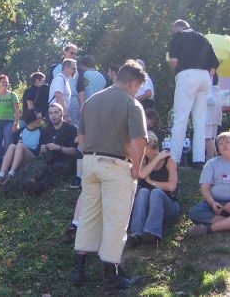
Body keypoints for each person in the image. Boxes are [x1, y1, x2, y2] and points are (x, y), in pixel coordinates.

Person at [71, 60, 147, 289]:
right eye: (138, 87)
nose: (137, 91)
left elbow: (81, 142)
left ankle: (78, 271)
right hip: (116, 165)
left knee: (88, 217)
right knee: (116, 221)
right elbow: (139, 141)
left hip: (90, 163)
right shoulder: (132, 104)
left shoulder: (91, 101)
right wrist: (136, 167)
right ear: (133, 83)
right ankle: (110, 275)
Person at [168, 19, 219, 168]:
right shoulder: (202, 37)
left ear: (177, 29)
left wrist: (175, 73)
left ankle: (174, 159)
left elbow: (173, 61)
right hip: (204, 77)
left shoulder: (178, 36)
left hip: (187, 75)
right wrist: (206, 78)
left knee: (180, 118)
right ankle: (198, 160)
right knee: (199, 120)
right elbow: (214, 64)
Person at [127, 132, 179, 246]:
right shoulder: (144, 160)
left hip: (168, 204)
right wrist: (156, 159)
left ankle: (152, 232)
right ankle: (136, 233)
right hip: (149, 205)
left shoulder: (169, 161)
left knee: (156, 192)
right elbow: (141, 174)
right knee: (143, 191)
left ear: (148, 148)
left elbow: (171, 187)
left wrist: (151, 182)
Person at [22, 103, 79, 195]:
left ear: (61, 113)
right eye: (51, 113)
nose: (53, 116)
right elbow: (40, 152)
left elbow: (76, 152)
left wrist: (59, 148)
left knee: (54, 168)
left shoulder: (71, 128)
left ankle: (38, 188)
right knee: (37, 164)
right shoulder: (47, 130)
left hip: (66, 161)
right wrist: (42, 149)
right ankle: (24, 183)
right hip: (49, 159)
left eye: (56, 112)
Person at [73, 55, 106, 189]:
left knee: (82, 142)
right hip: (102, 113)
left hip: (88, 111)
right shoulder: (102, 77)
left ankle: (80, 175)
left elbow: (81, 92)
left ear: (83, 65)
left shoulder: (83, 75)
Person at [0, 109, 44, 185]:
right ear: (31, 119)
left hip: (33, 158)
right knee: (11, 146)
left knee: (20, 145)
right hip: (19, 159)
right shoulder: (20, 131)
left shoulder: (42, 131)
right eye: (38, 118)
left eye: (41, 118)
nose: (40, 120)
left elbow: (39, 152)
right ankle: (1, 175)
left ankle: (11, 174)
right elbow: (14, 148)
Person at [0, 75, 20, 170]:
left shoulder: (12, 95)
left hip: (9, 122)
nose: (5, 83)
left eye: (6, 82)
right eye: (2, 82)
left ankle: (7, 167)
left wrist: (16, 123)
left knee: (8, 145)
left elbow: (17, 111)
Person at [48, 59, 77, 124]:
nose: (75, 71)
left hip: (60, 115)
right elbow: (59, 99)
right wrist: (66, 115)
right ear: (66, 68)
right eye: (74, 68)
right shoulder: (59, 79)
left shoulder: (66, 80)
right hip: (56, 116)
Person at [205, 73, 222, 161]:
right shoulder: (217, 91)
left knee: (207, 137)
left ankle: (210, 161)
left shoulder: (205, 70)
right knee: (212, 137)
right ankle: (215, 160)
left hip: (208, 106)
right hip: (216, 103)